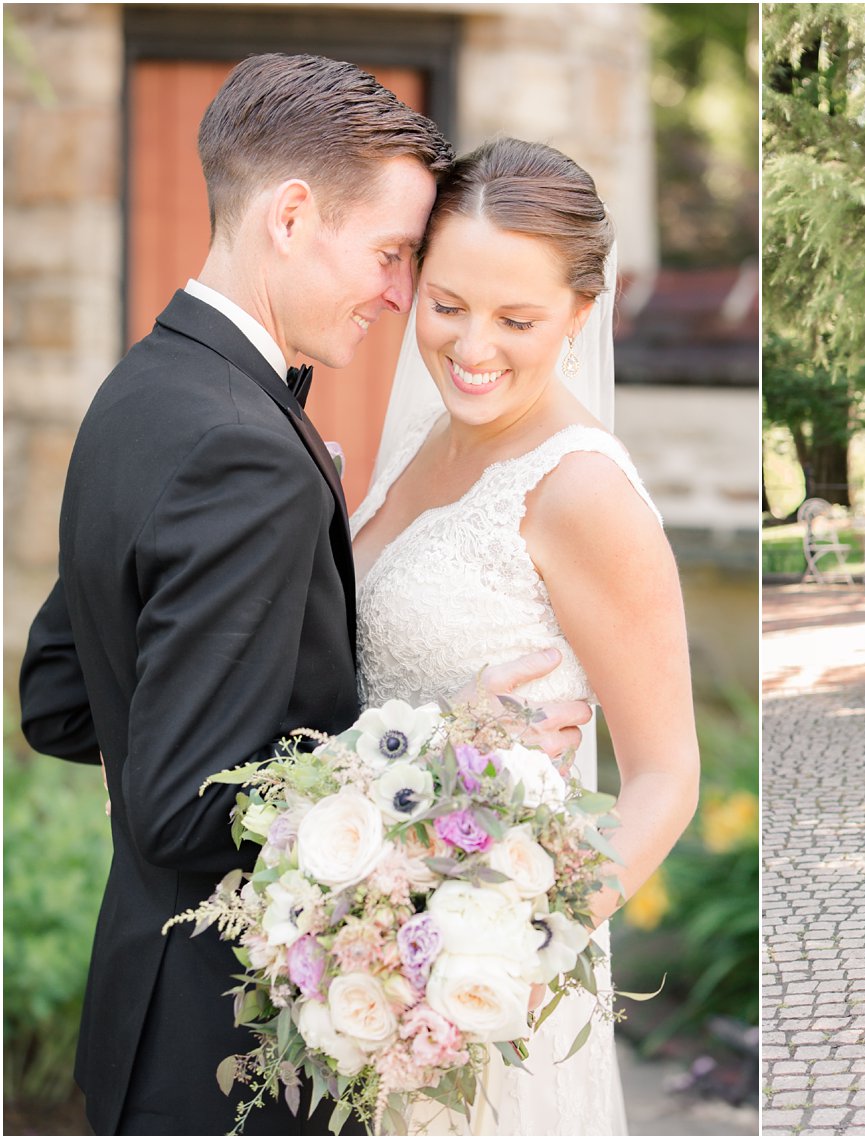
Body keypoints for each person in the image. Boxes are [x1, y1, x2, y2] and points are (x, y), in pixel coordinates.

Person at [18, 55, 588, 1135]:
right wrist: (449, 747)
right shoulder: (246, 451)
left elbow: (59, 698)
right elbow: (189, 800)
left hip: (140, 1018)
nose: (395, 291)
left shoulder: (137, 389)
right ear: (290, 215)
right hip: (229, 1061)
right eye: (387, 253)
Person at [350, 136, 700, 1135]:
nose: (471, 348)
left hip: (485, 993)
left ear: (582, 313)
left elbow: (666, 774)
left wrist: (517, 946)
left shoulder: (582, 488)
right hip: (373, 950)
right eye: (446, 304)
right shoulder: (425, 434)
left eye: (517, 319)